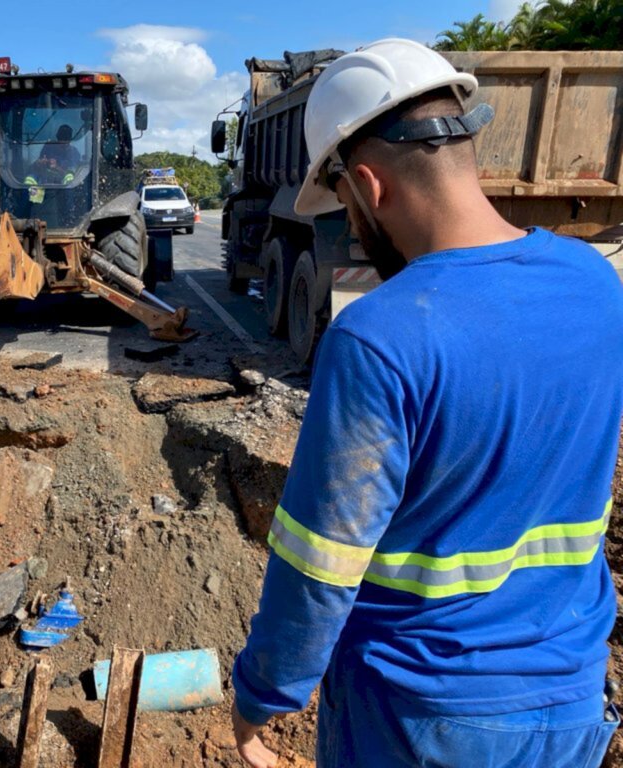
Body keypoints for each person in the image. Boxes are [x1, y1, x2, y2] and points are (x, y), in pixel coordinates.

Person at [230, 38, 623, 768]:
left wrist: (263, 697)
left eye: (344, 199)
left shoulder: (380, 338)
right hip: (569, 701)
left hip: (418, 716)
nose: (349, 222)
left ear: (371, 185)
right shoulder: (596, 285)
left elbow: (321, 563)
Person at [25, 123, 81, 203]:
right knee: (30, 179)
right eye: (60, 139)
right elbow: (36, 166)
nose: (61, 142)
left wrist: (56, 167)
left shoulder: (73, 153)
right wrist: (39, 163)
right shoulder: (48, 146)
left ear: (70, 140)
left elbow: (74, 175)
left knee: (69, 180)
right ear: (57, 137)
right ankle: (31, 208)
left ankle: (69, 210)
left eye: (65, 139)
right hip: (44, 181)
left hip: (63, 189)